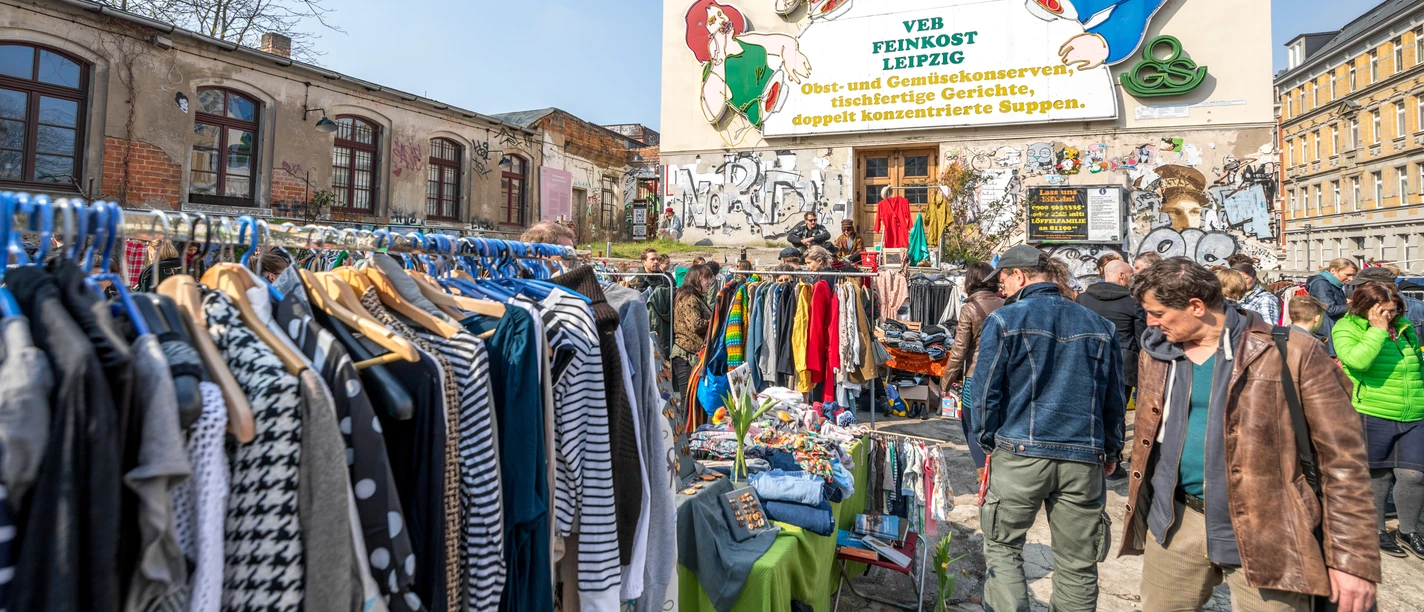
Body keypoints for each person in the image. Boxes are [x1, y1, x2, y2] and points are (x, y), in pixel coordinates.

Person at [1126, 257, 1379, 612]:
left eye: (1158, 312)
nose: (1149, 322)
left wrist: (1353, 560)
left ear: (1196, 307)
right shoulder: (1158, 350)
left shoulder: (1291, 351)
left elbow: (1344, 462)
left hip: (1271, 529)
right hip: (1176, 522)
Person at [971, 244, 1125, 612]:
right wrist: (1111, 449)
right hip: (1082, 456)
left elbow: (985, 391)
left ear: (1020, 276)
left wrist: (988, 440)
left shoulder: (1006, 320)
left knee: (1003, 547)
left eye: (1003, 280)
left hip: (1021, 451)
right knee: (1078, 564)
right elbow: (1114, 398)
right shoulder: (1100, 325)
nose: (1000, 290)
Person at [1328, 281, 1424, 561]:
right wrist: (1378, 332)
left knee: (1415, 475)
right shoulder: (1346, 328)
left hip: (1414, 411)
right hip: (1372, 409)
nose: (1390, 316)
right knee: (1377, 474)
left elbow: (1414, 363)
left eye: (1394, 311)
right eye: (1384, 312)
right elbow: (1357, 362)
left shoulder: (1403, 327)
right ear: (1366, 308)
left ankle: (1407, 530)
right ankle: (1376, 528)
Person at [940, 261, 1003, 478]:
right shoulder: (1007, 304)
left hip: (975, 376)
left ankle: (982, 471)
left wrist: (945, 382)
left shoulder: (969, 309)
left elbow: (959, 350)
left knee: (970, 424)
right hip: (1004, 375)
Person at [1077, 259, 1147, 424]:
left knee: (1091, 412)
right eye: (1131, 275)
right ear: (1121, 276)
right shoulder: (1134, 302)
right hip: (1123, 366)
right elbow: (1141, 338)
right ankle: (1115, 448)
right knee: (1117, 415)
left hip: (1088, 362)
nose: (1132, 279)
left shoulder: (1082, 300)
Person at [672, 264, 715, 395]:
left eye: (710, 278)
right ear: (696, 279)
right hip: (685, 356)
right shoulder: (689, 298)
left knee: (693, 402)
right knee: (687, 402)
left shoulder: (696, 297)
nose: (709, 282)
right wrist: (715, 322)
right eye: (706, 278)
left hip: (693, 355)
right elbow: (695, 325)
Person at [1307, 257, 1359, 355]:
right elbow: (1330, 309)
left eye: (1353, 275)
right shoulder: (1321, 283)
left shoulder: (1334, 284)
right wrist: (1355, 306)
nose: (1351, 279)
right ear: (1333, 271)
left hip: (1334, 330)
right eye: (1348, 275)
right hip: (1328, 333)